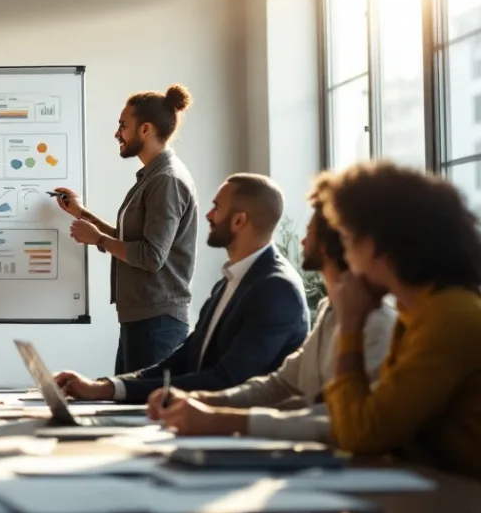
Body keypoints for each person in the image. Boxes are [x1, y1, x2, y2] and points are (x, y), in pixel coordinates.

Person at [150, 173, 396, 441]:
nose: (301, 242)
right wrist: (200, 401)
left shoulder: (376, 323)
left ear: (330, 244)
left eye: (310, 232)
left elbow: (341, 422)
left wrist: (221, 419)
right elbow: (280, 384)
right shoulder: (331, 310)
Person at [54, 173, 309, 404]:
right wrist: (104, 386)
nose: (208, 215)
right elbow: (185, 359)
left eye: (216, 208)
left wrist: (105, 391)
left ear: (239, 220)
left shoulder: (276, 289)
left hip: (239, 440)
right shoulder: (231, 281)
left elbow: (226, 380)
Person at [320, 162, 481, 480]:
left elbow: (361, 435)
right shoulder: (422, 311)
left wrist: (350, 326)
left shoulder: (449, 317)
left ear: (377, 245)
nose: (346, 259)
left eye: (348, 239)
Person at [53, 84, 199, 374]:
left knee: (142, 413)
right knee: (126, 405)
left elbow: (150, 256)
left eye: (123, 126)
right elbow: (131, 240)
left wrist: (97, 239)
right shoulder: (152, 177)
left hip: (157, 323)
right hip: (142, 319)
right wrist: (82, 213)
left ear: (145, 130)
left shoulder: (165, 180)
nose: (117, 133)